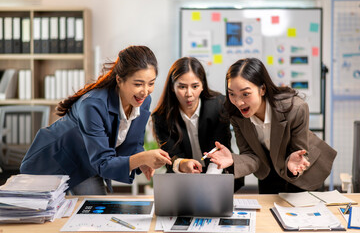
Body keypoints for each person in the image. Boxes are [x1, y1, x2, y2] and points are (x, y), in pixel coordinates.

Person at [20, 45, 172, 195]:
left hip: (90, 163)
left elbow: (133, 144)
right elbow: (103, 162)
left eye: (151, 83)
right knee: (48, 216)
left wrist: (142, 162)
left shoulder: (142, 100)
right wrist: (141, 158)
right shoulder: (92, 105)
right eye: (138, 84)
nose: (145, 91)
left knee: (94, 211)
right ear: (119, 80)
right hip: (51, 165)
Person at [207, 58, 336, 194]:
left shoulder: (295, 109)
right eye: (232, 94)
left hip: (303, 170)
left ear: (262, 89)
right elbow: (251, 155)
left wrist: (291, 161)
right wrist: (233, 159)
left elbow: (299, 152)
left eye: (245, 94)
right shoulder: (237, 116)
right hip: (269, 171)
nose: (238, 102)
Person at [151, 57, 244, 191]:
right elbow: (170, 156)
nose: (189, 94)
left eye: (195, 86)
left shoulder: (219, 106)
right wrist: (182, 164)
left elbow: (219, 149)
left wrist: (207, 183)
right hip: (182, 180)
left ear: (202, 85)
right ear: (172, 87)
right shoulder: (161, 117)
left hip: (217, 175)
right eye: (182, 87)